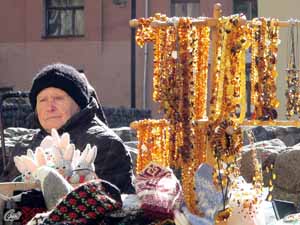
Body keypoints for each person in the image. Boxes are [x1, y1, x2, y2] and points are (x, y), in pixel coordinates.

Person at [2, 63, 135, 194]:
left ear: (79, 103)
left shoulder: (105, 144)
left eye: (58, 98)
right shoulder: (23, 146)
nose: (50, 107)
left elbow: (109, 203)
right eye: (42, 100)